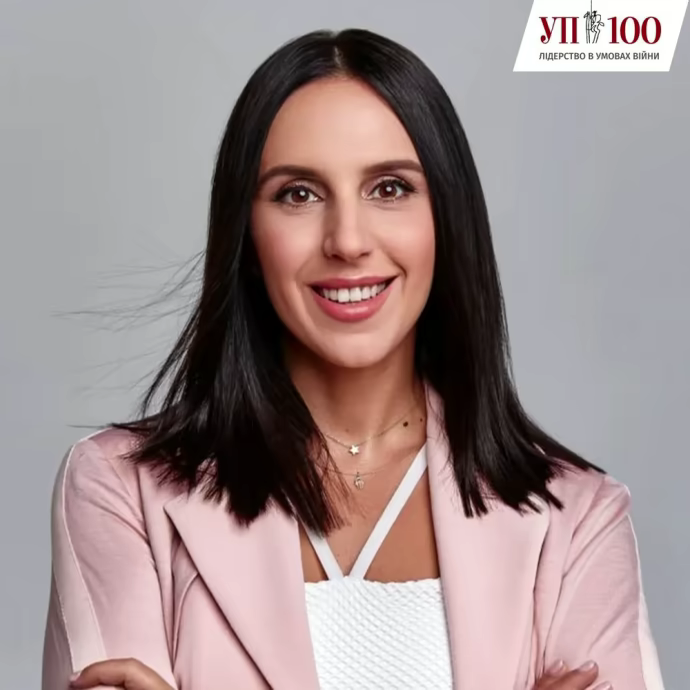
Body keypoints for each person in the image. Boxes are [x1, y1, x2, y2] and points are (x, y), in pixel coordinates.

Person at [42, 27, 664, 690]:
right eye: (298, 194)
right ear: (246, 233)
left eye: (390, 188)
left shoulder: (579, 519)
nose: (347, 240)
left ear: (447, 217)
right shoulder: (120, 491)